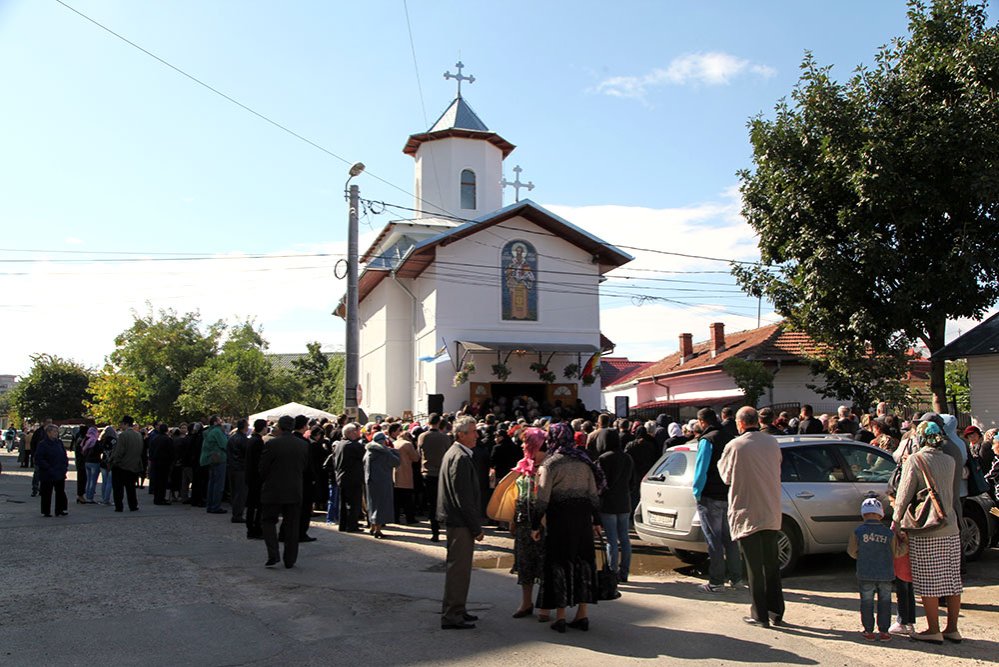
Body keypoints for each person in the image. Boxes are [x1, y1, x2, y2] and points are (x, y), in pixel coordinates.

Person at [892, 420, 962, 645]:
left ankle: (933, 629)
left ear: (920, 438)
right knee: (952, 579)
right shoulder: (950, 460)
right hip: (950, 525)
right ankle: (952, 628)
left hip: (927, 529)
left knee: (928, 581)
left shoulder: (916, 460)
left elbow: (903, 495)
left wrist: (896, 521)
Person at [532, 422, 604, 633]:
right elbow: (593, 494)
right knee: (583, 563)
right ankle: (582, 615)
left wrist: (535, 525)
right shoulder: (584, 462)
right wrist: (597, 521)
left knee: (559, 563)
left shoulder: (551, 464)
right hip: (582, 520)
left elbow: (542, 498)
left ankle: (561, 616)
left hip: (560, 520)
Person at [718, 407, 785, 627]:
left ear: (740, 423)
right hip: (770, 509)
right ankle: (776, 610)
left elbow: (726, 477)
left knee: (754, 567)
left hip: (747, 511)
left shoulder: (735, 446)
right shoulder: (772, 442)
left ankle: (760, 614)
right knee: (771, 564)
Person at [438, 415, 484, 630]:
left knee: (460, 569)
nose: (476, 435)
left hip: (458, 521)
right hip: (460, 522)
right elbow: (462, 497)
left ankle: (457, 608)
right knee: (458, 569)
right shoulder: (460, 457)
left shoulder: (458, 454)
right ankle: (452, 614)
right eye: (473, 431)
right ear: (461, 434)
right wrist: (476, 527)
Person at [691, 408, 741, 592]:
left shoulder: (707, 440)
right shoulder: (730, 438)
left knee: (714, 539)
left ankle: (716, 581)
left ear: (702, 421)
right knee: (730, 539)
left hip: (710, 495)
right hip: (728, 493)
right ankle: (736, 578)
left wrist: (697, 492)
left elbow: (701, 468)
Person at [259, 415, 309, 569]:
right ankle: (290, 559)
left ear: (279, 427)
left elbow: (263, 468)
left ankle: (273, 554)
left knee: (268, 521)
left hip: (274, 489)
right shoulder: (303, 445)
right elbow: (304, 467)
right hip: (294, 489)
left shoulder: (273, 444)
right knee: (292, 525)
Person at [509, 427, 548, 620]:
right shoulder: (523, 465)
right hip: (523, 521)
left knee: (544, 563)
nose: (523, 445)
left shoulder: (549, 465)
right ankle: (526, 603)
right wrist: (512, 519)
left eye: (527, 442)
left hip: (543, 522)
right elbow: (517, 495)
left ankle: (544, 606)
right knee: (525, 563)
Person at [847, 498, 897, 641]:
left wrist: (860, 557)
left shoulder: (858, 532)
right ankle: (884, 631)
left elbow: (851, 551)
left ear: (863, 515)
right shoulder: (888, 533)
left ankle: (868, 630)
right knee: (885, 601)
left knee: (867, 602)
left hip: (865, 572)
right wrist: (905, 543)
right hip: (886, 573)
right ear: (880, 515)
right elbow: (896, 552)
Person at [596, 420, 634, 584]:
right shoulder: (628, 457)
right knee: (624, 538)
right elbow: (633, 482)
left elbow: (598, 484)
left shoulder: (603, 459)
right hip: (624, 502)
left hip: (608, 504)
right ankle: (624, 572)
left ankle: (612, 572)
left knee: (611, 540)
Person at [418, 413, 450, 542]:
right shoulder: (445, 438)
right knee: (443, 502)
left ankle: (435, 531)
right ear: (439, 423)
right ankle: (447, 528)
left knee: (432, 504)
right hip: (441, 473)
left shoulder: (422, 436)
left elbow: (419, 453)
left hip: (427, 472)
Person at [364, 431, 400, 539]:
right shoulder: (384, 452)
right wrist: (392, 452)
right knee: (381, 505)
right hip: (382, 481)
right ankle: (378, 530)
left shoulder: (368, 450)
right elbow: (396, 462)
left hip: (369, 481)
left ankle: (372, 526)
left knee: (371, 504)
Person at [333, 423, 365, 533]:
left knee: (343, 503)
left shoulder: (340, 444)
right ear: (351, 433)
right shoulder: (353, 445)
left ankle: (343, 525)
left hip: (342, 477)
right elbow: (363, 455)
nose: (358, 433)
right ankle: (352, 525)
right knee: (354, 503)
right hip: (353, 477)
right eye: (356, 431)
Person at [109, 416, 144, 513]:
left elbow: (119, 452)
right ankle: (133, 505)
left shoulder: (123, 435)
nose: (120, 425)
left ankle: (119, 506)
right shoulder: (139, 435)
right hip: (133, 465)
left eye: (121, 424)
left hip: (121, 466)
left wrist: (114, 461)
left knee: (118, 488)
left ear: (125, 424)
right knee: (131, 488)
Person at [35, 424, 69, 518]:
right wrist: (48, 467)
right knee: (46, 493)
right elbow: (39, 458)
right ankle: (46, 511)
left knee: (60, 492)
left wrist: (65, 466)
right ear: (48, 433)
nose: (56, 433)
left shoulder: (59, 442)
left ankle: (60, 509)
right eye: (54, 431)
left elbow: (64, 455)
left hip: (60, 471)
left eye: (56, 431)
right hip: (48, 473)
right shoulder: (43, 444)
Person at [391, 423, 420, 525]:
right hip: (406, 472)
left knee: (396, 499)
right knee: (408, 498)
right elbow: (415, 458)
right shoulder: (407, 444)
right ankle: (410, 518)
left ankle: (395, 518)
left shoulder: (394, 443)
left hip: (395, 473)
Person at [201, 416, 228, 515]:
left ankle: (210, 505)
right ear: (216, 422)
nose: (222, 421)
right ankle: (215, 506)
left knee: (212, 483)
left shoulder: (208, 431)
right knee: (218, 484)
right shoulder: (217, 431)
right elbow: (225, 444)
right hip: (219, 458)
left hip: (210, 459)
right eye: (220, 419)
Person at [244, 419, 267, 539]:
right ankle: (255, 528)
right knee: (256, 505)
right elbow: (259, 462)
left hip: (250, 476)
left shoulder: (251, 440)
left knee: (252, 505)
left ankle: (252, 528)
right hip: (256, 478)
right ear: (263, 428)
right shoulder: (257, 442)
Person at [227, 419, 250, 523]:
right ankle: (237, 514)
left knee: (235, 492)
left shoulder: (232, 438)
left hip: (232, 467)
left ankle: (236, 513)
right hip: (240, 468)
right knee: (240, 493)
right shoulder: (243, 439)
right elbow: (246, 453)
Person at [149, 422, 175, 505]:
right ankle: (161, 498)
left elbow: (151, 451)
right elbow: (171, 452)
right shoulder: (168, 439)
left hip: (155, 462)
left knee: (157, 481)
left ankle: (156, 498)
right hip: (164, 463)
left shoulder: (155, 439)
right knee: (163, 482)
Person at [81, 426, 101, 504]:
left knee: (88, 480)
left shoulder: (85, 439)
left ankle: (87, 495)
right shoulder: (95, 441)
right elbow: (99, 451)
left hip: (87, 461)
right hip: (95, 462)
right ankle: (90, 497)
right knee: (93, 480)